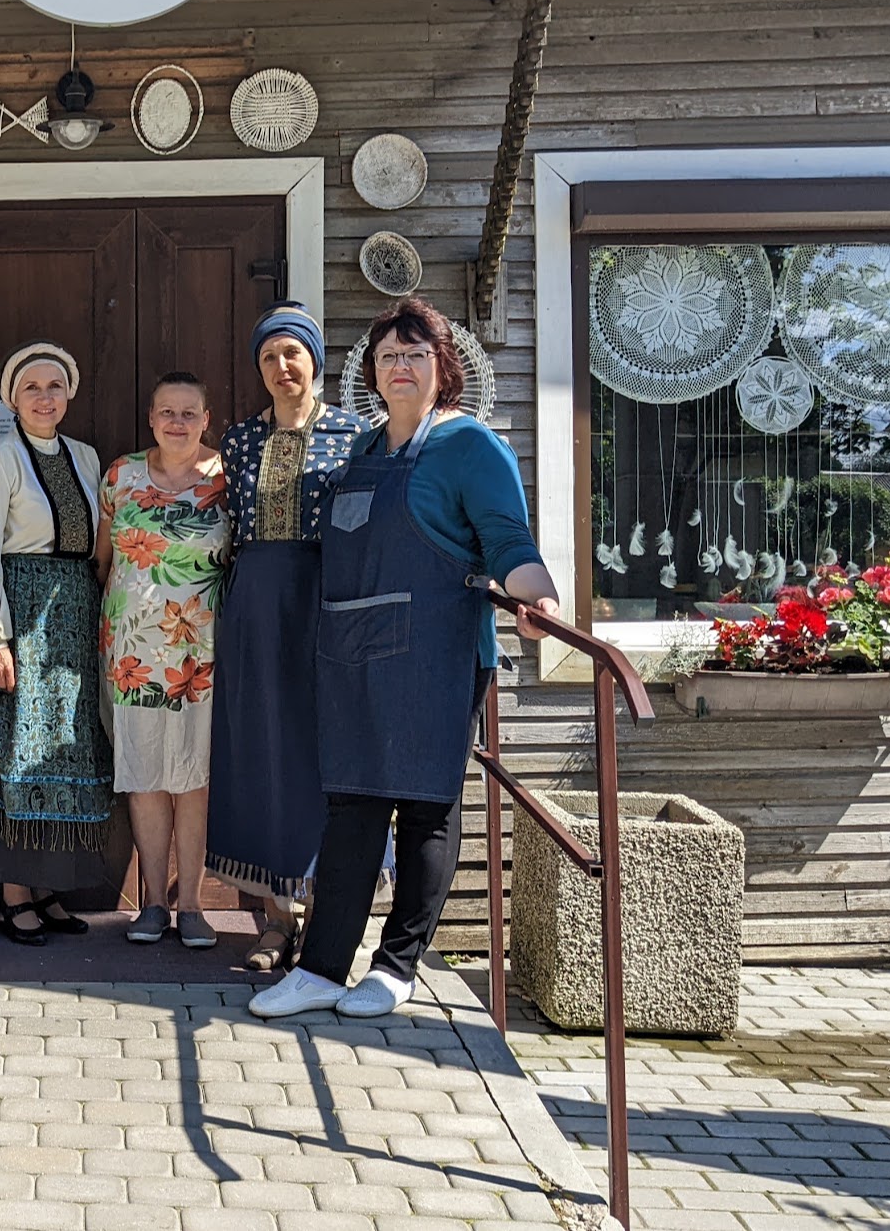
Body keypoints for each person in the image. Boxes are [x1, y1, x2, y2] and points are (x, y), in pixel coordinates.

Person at [250, 297, 561, 1022]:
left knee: (426, 809)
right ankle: (322, 970)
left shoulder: (470, 446)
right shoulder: (363, 451)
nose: (400, 366)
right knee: (352, 810)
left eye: (415, 354)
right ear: (372, 372)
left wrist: (538, 596)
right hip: (354, 655)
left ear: (441, 367)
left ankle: (395, 968)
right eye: (388, 355)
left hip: (436, 656)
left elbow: (507, 540)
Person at [205, 302, 366, 970]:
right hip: (255, 605)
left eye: (292, 353)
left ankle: (328, 919)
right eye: (269, 356)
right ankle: (275, 919)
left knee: (323, 750)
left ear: (315, 361)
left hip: (325, 599)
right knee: (263, 747)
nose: (281, 366)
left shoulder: (356, 435)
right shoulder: (240, 441)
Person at [0, 341, 111, 945]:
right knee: (15, 750)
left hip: (73, 623)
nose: (45, 398)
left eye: (55, 386)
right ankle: (15, 892)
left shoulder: (86, 457)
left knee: (66, 751)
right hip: (20, 617)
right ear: (12, 399)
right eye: (32, 388)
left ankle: (48, 887)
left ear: (69, 394)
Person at [94, 372, 231, 949]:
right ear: (151, 418)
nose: (177, 422)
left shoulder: (226, 478)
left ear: (206, 420)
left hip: (200, 654)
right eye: (166, 412)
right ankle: (152, 903)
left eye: (188, 413)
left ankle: (192, 905)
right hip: (132, 653)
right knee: (145, 773)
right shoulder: (120, 475)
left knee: (194, 778)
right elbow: (103, 559)